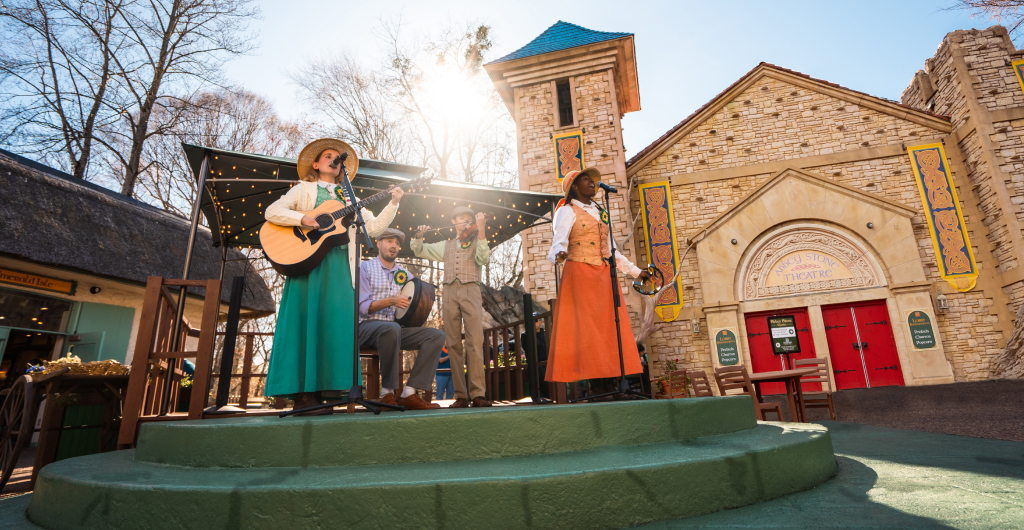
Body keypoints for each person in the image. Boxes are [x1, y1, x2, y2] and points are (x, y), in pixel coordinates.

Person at [263, 138, 402, 415]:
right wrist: (304, 220)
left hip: (340, 266)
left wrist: (394, 203)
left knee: (333, 325)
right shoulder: (304, 189)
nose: (333, 159)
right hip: (306, 263)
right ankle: (303, 394)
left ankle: (327, 390)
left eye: (336, 158)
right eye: (327, 156)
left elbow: (373, 228)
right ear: (316, 165)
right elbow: (272, 212)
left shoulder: (349, 197)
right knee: (305, 323)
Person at [546, 168, 652, 386]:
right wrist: (559, 255)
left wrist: (636, 272)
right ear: (574, 187)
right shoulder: (566, 211)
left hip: (605, 275)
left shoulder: (599, 211)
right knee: (588, 331)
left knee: (609, 329)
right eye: (586, 179)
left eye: (592, 179)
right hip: (581, 272)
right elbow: (558, 243)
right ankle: (597, 387)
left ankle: (612, 383)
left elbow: (611, 249)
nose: (592, 182)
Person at [411, 207, 493, 408]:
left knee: (475, 341)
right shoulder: (445, 245)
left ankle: (478, 394)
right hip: (449, 292)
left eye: (468, 219)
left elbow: (483, 258)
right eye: (460, 218)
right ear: (454, 221)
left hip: (471, 290)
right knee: (454, 343)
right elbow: (420, 250)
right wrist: (419, 236)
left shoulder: (477, 239)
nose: (464, 221)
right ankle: (461, 395)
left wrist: (481, 230)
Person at [357, 228, 443, 410]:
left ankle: (409, 393)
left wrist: (422, 306)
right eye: (389, 241)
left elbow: (410, 310)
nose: (394, 246)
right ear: (379, 243)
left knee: (436, 335)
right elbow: (363, 307)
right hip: (365, 327)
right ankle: (387, 392)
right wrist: (391, 301)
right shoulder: (364, 268)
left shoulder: (406, 275)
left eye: (397, 243)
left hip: (395, 329)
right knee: (392, 329)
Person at [520, 314, 549, 398]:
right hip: (535, 363)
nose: (534, 323)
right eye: (532, 321)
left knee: (549, 384)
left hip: (546, 362)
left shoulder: (545, 333)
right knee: (540, 384)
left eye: (536, 321)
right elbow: (528, 347)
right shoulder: (526, 335)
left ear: (541, 322)